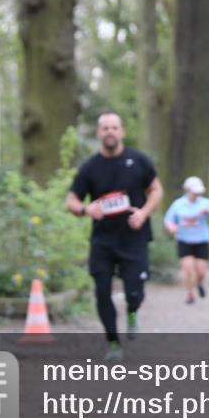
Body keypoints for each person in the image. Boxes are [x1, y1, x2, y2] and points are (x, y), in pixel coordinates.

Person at [66, 111, 163, 361]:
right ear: (98, 133)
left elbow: (156, 190)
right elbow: (72, 200)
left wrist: (143, 213)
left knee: (134, 293)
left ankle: (132, 310)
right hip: (103, 241)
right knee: (102, 292)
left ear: (122, 132)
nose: (110, 131)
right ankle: (113, 342)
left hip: (134, 237)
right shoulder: (90, 167)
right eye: (105, 128)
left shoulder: (138, 161)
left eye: (114, 127)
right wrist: (86, 209)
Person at [164, 176, 209, 304]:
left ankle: (199, 283)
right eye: (194, 192)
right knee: (188, 269)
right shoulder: (178, 204)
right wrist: (172, 227)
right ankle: (190, 294)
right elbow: (169, 220)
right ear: (188, 190)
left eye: (198, 192)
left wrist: (208, 211)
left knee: (201, 272)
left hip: (202, 240)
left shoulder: (206, 203)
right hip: (184, 240)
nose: (196, 195)